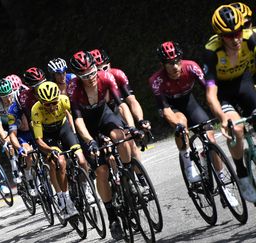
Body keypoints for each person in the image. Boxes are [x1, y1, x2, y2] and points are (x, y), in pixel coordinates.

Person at [149, 41, 238, 205]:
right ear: (162, 65)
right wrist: (177, 125)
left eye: (177, 61)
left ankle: (223, 186)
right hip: (172, 108)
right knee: (181, 124)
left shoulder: (191, 67)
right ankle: (188, 164)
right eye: (170, 63)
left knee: (210, 139)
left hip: (190, 103)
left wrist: (220, 109)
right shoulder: (156, 80)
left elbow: (210, 90)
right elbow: (166, 110)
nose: (175, 66)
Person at [68, 50, 134, 240]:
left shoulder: (105, 77)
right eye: (84, 76)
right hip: (87, 125)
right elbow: (78, 121)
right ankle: (112, 216)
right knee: (102, 171)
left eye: (92, 73)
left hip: (104, 115)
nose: (90, 78)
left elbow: (121, 105)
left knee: (119, 135)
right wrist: (89, 141)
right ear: (78, 77)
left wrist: (130, 127)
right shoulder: (74, 89)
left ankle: (128, 173)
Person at [204, 5, 256, 202]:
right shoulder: (212, 52)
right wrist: (223, 118)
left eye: (238, 32)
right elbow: (211, 94)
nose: (235, 39)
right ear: (219, 35)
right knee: (238, 128)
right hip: (224, 92)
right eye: (229, 35)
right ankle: (242, 174)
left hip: (244, 84)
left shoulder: (250, 38)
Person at [90, 49, 151, 188]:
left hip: (116, 109)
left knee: (130, 141)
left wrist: (139, 121)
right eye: (97, 69)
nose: (102, 72)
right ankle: (117, 176)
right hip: (99, 115)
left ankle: (140, 177)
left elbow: (131, 101)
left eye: (104, 68)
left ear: (110, 64)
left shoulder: (118, 75)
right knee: (107, 148)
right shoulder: (92, 83)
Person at [31, 81, 91, 220]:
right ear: (41, 102)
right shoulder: (36, 110)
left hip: (63, 129)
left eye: (54, 102)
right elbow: (39, 140)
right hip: (48, 137)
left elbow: (74, 117)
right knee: (60, 162)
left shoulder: (64, 100)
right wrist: (51, 151)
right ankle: (65, 199)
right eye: (47, 104)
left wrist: (77, 134)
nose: (52, 106)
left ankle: (85, 187)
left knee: (81, 160)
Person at [0, 78, 20, 183]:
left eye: (9, 95)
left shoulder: (17, 96)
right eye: (4, 97)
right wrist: (6, 139)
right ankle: (14, 168)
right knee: (9, 145)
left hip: (16, 121)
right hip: (4, 125)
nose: (8, 99)